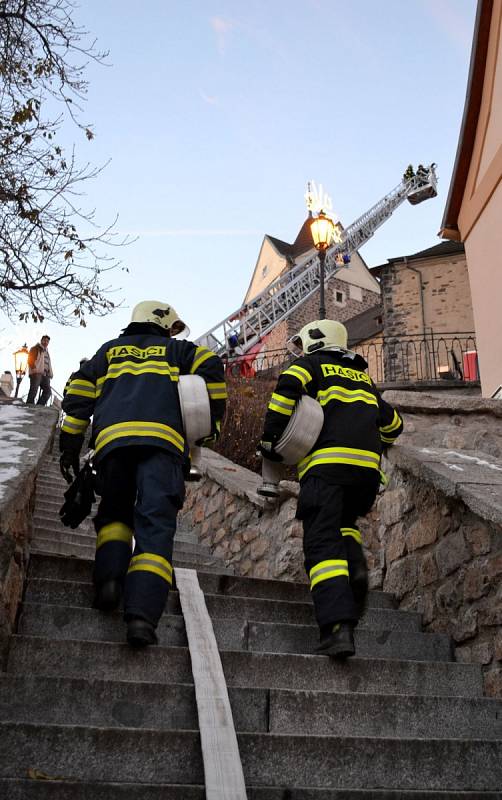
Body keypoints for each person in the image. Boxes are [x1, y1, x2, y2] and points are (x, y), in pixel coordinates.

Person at [59, 300, 227, 648]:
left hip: (113, 447)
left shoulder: (108, 352)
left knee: (115, 514)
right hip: (162, 447)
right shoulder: (177, 350)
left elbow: (77, 392)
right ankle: (141, 618)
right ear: (163, 324)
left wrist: (70, 446)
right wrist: (211, 422)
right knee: (154, 526)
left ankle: (108, 583)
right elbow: (211, 366)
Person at [258, 319, 403, 659]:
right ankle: (354, 569)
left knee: (322, 545)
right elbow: (394, 426)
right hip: (365, 476)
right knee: (344, 526)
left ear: (312, 341)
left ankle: (338, 627)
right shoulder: (363, 379)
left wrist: (269, 441)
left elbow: (283, 396)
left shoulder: (307, 365)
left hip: (326, 471)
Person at [27, 335, 53, 405]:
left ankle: (39, 405)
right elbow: (30, 359)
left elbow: (48, 364)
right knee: (34, 390)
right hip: (37, 373)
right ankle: (29, 405)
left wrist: (50, 373)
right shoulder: (35, 348)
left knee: (48, 392)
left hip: (45, 375)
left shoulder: (47, 352)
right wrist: (34, 368)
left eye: (47, 341)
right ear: (41, 340)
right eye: (44, 340)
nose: (46, 342)